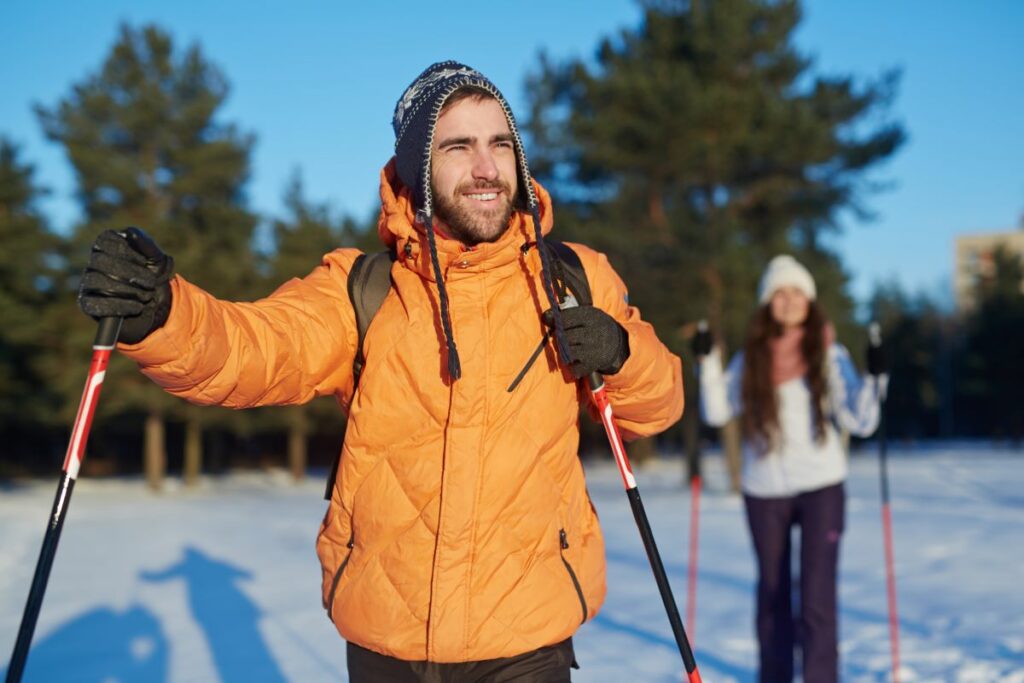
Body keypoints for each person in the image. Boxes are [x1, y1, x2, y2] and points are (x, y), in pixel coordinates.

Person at [77, 61, 684, 682]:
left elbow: (659, 407)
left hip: (527, 638)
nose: (487, 168)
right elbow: (254, 348)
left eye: (501, 143)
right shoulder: (362, 290)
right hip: (387, 639)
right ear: (417, 170)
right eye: (458, 146)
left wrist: (621, 354)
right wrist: (163, 315)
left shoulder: (572, 281)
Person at [691, 255, 886, 683]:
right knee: (773, 594)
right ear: (767, 303)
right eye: (780, 293)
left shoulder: (830, 355)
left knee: (816, 597)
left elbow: (861, 420)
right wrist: (706, 364)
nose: (789, 300)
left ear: (810, 300)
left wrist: (875, 376)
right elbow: (717, 410)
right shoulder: (751, 358)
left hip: (821, 485)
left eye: (797, 292)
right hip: (764, 489)